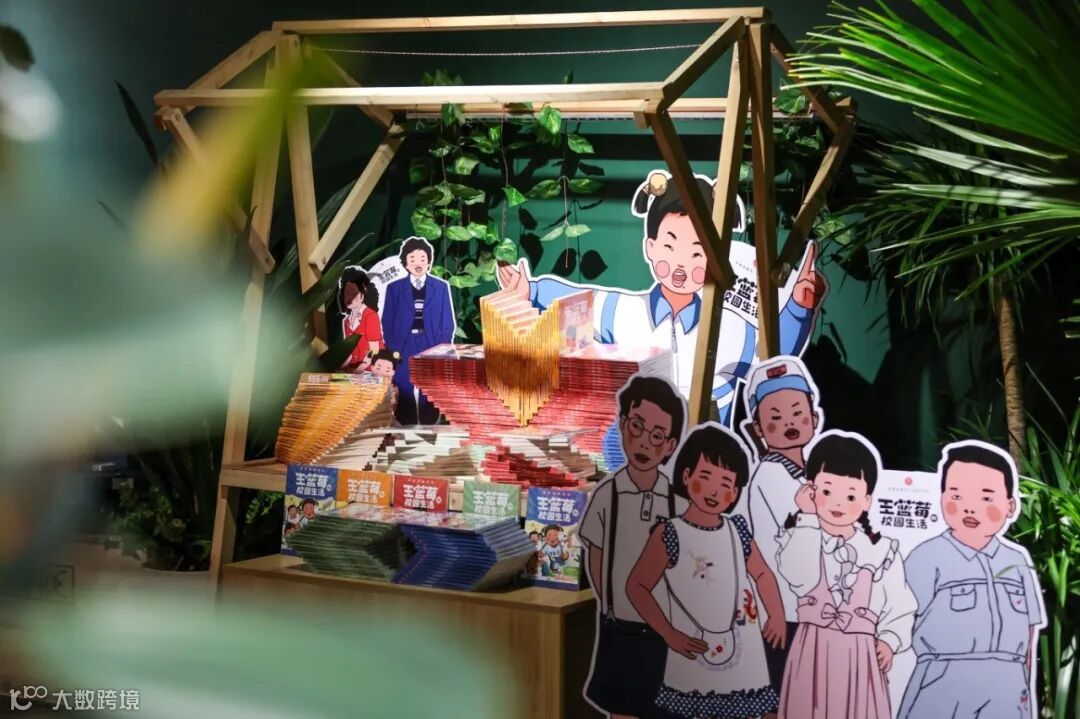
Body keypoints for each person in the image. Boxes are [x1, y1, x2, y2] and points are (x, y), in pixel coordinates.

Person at [497, 170, 825, 429]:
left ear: (717, 258)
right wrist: (532, 291)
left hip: (705, 464)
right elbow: (577, 302)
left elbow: (774, 354)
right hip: (633, 457)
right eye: (669, 246)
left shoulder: (730, 328)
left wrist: (798, 307)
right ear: (650, 247)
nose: (681, 265)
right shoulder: (623, 312)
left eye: (697, 253)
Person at [627, 424, 785, 719]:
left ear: (735, 492)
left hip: (745, 648)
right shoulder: (669, 533)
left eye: (726, 483)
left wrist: (776, 614)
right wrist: (669, 633)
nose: (715, 491)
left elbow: (763, 573)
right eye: (706, 477)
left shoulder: (738, 530)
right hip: (692, 646)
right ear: (686, 476)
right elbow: (637, 585)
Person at [897, 441, 1045, 719]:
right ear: (941, 497)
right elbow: (898, 620)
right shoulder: (925, 557)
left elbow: (1028, 636)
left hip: (1008, 684)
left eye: (986, 498)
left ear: (1010, 505)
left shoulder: (1017, 561)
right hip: (942, 680)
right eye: (957, 495)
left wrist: (1022, 687)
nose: (969, 509)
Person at [775, 431, 916, 719]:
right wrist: (807, 519)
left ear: (867, 500)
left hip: (861, 656)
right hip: (812, 650)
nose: (838, 504)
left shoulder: (881, 550)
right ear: (810, 489)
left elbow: (900, 603)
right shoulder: (800, 534)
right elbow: (800, 578)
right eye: (827, 492)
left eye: (851, 495)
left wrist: (889, 640)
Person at [579, 374, 687, 719]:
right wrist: (611, 601)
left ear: (670, 445)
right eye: (637, 427)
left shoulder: (677, 501)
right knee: (622, 710)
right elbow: (596, 559)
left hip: (666, 629)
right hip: (620, 627)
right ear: (623, 424)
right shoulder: (606, 494)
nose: (644, 443)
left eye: (657, 436)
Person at [731, 355, 822, 689]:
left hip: (807, 609)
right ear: (758, 429)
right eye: (776, 417)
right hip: (787, 610)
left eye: (797, 413)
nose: (789, 423)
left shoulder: (808, 473)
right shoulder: (771, 476)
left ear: (814, 417)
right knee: (784, 694)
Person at [382, 237, 456, 425]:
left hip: (430, 344)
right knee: (403, 383)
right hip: (404, 343)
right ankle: (405, 423)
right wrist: (394, 347)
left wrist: (441, 346)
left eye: (423, 259)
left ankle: (429, 422)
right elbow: (387, 321)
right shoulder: (395, 288)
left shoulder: (440, 287)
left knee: (429, 384)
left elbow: (447, 321)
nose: (418, 263)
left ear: (429, 261)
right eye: (413, 259)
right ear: (405, 262)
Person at [338, 267, 384, 372]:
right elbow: (349, 353)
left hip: (374, 369)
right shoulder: (346, 321)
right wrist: (340, 368)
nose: (349, 298)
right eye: (346, 293)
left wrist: (355, 372)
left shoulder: (370, 316)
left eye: (354, 294)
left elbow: (374, 352)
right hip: (356, 371)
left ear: (363, 296)